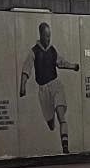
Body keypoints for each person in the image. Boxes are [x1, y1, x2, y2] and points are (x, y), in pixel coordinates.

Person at [19, 22, 79, 155]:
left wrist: (73, 66)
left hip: (56, 86)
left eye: (49, 36)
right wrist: (22, 86)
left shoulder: (52, 50)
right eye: (46, 36)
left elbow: (61, 63)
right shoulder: (33, 52)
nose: (48, 39)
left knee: (61, 116)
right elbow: (26, 70)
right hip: (43, 91)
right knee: (51, 124)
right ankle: (51, 121)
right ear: (40, 35)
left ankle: (65, 146)